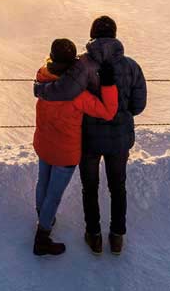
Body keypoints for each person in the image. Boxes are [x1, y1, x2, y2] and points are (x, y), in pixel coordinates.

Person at [31, 38, 118, 257]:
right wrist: (107, 84)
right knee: (54, 195)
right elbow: (108, 111)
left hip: (43, 143)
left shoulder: (42, 77)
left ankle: (44, 217)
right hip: (64, 151)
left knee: (43, 182)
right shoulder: (77, 95)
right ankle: (42, 237)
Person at [79, 15, 147, 255]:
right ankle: (117, 237)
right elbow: (139, 105)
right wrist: (122, 113)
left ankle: (93, 236)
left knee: (90, 187)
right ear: (115, 36)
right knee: (118, 187)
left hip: (88, 138)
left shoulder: (83, 65)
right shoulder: (131, 66)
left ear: (93, 35)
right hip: (119, 139)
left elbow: (71, 98)